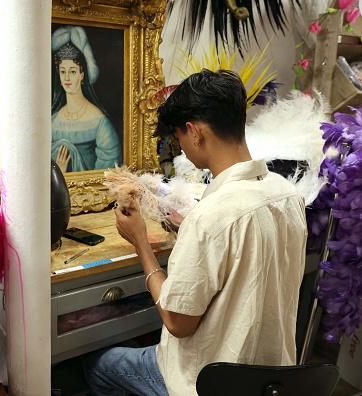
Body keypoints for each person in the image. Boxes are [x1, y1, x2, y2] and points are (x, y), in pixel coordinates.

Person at [82, 69, 307, 396]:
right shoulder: (288, 195)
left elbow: (177, 322)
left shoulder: (211, 216)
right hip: (270, 381)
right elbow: (249, 254)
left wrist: (140, 241)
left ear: (195, 132)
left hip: (206, 384)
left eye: (179, 137)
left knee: (96, 363)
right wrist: (190, 230)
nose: (182, 148)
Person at [51, 26, 121, 173]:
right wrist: (59, 173)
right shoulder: (53, 119)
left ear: (82, 75)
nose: (67, 78)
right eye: (63, 72)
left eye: (73, 71)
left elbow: (106, 175)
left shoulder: (100, 122)